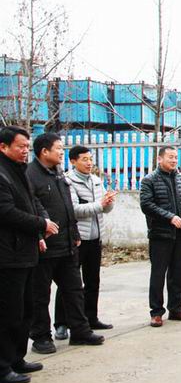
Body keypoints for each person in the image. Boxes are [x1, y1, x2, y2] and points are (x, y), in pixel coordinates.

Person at [26, 132, 104, 354]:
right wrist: (39, 235)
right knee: (41, 295)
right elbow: (31, 208)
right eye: (58, 148)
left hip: (67, 244)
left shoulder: (58, 174)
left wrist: (75, 232)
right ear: (44, 151)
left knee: (74, 290)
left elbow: (67, 206)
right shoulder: (31, 175)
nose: (62, 152)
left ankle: (80, 331)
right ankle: (41, 336)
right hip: (45, 246)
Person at [0, 126, 52, 383]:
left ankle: (17, 358)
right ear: (3, 147)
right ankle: (2, 367)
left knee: (25, 309)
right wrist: (41, 224)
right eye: (20, 146)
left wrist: (39, 233)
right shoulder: (2, 174)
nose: (25, 151)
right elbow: (6, 212)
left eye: (26, 146)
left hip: (26, 251)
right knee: (8, 312)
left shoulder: (19, 171)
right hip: (7, 255)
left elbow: (32, 204)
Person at [53, 145, 117, 341]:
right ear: (73, 161)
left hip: (95, 237)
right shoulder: (67, 181)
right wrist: (99, 205)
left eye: (90, 159)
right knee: (69, 282)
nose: (89, 163)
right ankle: (62, 323)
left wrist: (108, 202)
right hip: (77, 239)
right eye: (84, 159)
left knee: (92, 280)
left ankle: (91, 317)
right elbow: (72, 210)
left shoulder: (96, 180)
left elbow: (104, 208)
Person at [140, 146, 181, 328]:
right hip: (160, 234)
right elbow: (146, 205)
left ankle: (176, 308)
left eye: (175, 157)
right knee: (158, 274)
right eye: (170, 157)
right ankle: (156, 312)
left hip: (179, 234)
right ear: (160, 159)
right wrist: (170, 217)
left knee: (178, 274)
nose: (173, 160)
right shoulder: (149, 180)